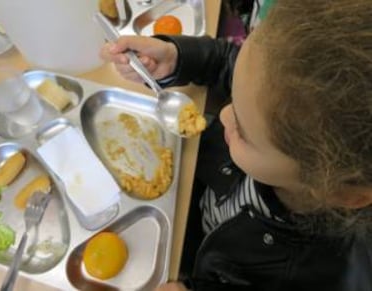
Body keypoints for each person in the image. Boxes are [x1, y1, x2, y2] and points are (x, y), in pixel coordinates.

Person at [100, 0, 372, 290]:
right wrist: (178, 58)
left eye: (243, 131)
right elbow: (232, 65)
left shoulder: (310, 275)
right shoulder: (281, 94)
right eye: (233, 103)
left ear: (340, 192)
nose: (224, 114)